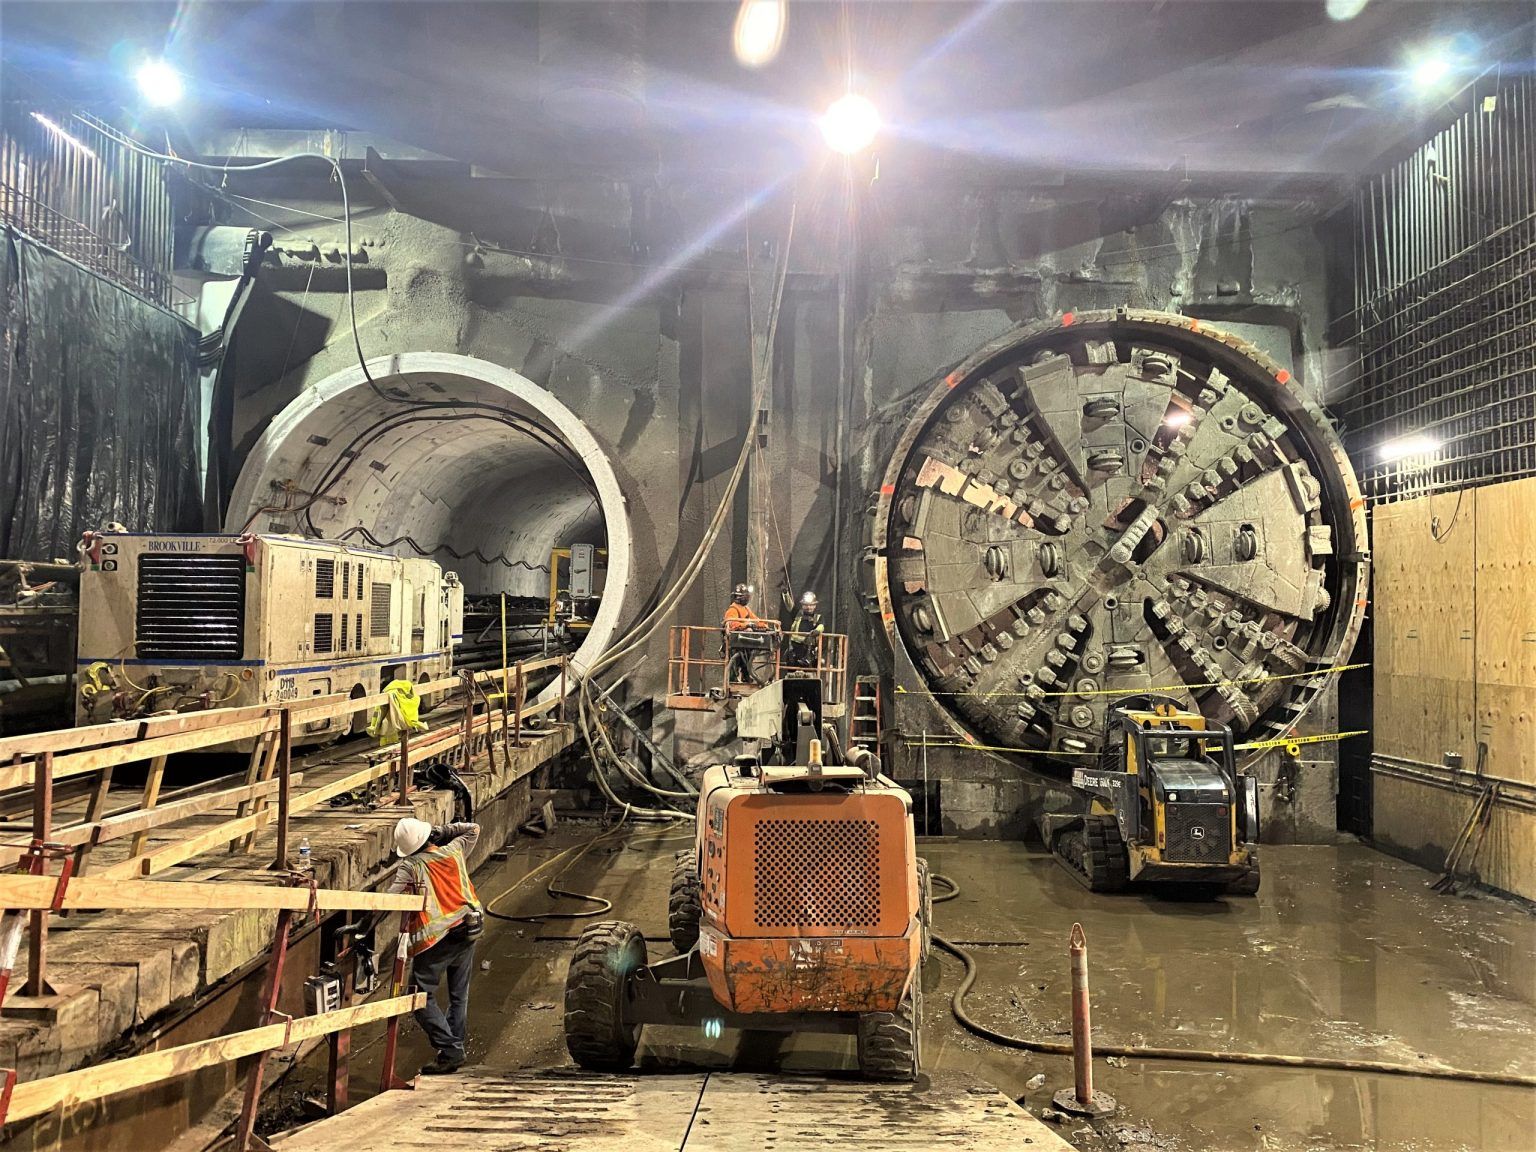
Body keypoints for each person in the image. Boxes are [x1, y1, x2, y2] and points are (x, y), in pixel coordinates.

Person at [383, 817, 484, 1075]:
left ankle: (450, 1051)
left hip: (437, 940)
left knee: (417, 996)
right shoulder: (454, 850)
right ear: (429, 835)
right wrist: (443, 831)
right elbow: (473, 828)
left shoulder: (411, 866)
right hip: (469, 928)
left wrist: (361, 927)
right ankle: (453, 1051)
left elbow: (388, 901)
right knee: (459, 995)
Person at [724, 583, 770, 684]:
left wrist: (765, 626)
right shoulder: (733, 609)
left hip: (745, 642)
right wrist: (747, 625)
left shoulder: (746, 609)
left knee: (747, 660)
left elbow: (756, 620)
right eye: (744, 596)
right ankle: (732, 680)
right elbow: (732, 624)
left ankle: (746, 676)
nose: (746, 598)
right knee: (735, 662)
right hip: (735, 643)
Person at [785, 591, 825, 668]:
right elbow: (789, 606)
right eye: (806, 605)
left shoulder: (818, 617)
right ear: (802, 605)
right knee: (790, 663)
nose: (808, 607)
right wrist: (785, 593)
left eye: (811, 605)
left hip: (808, 647)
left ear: (815, 606)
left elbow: (821, 625)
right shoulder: (797, 614)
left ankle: (807, 658)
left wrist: (817, 631)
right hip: (795, 646)